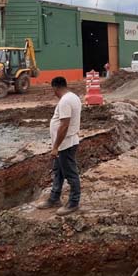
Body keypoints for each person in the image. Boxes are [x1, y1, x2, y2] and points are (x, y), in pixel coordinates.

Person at [37, 76, 82, 216]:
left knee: (70, 173)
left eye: (53, 90)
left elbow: (64, 125)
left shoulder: (65, 101)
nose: (54, 93)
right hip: (65, 143)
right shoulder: (73, 97)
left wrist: (55, 146)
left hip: (65, 144)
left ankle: (73, 203)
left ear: (55, 87)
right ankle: (54, 198)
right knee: (58, 172)